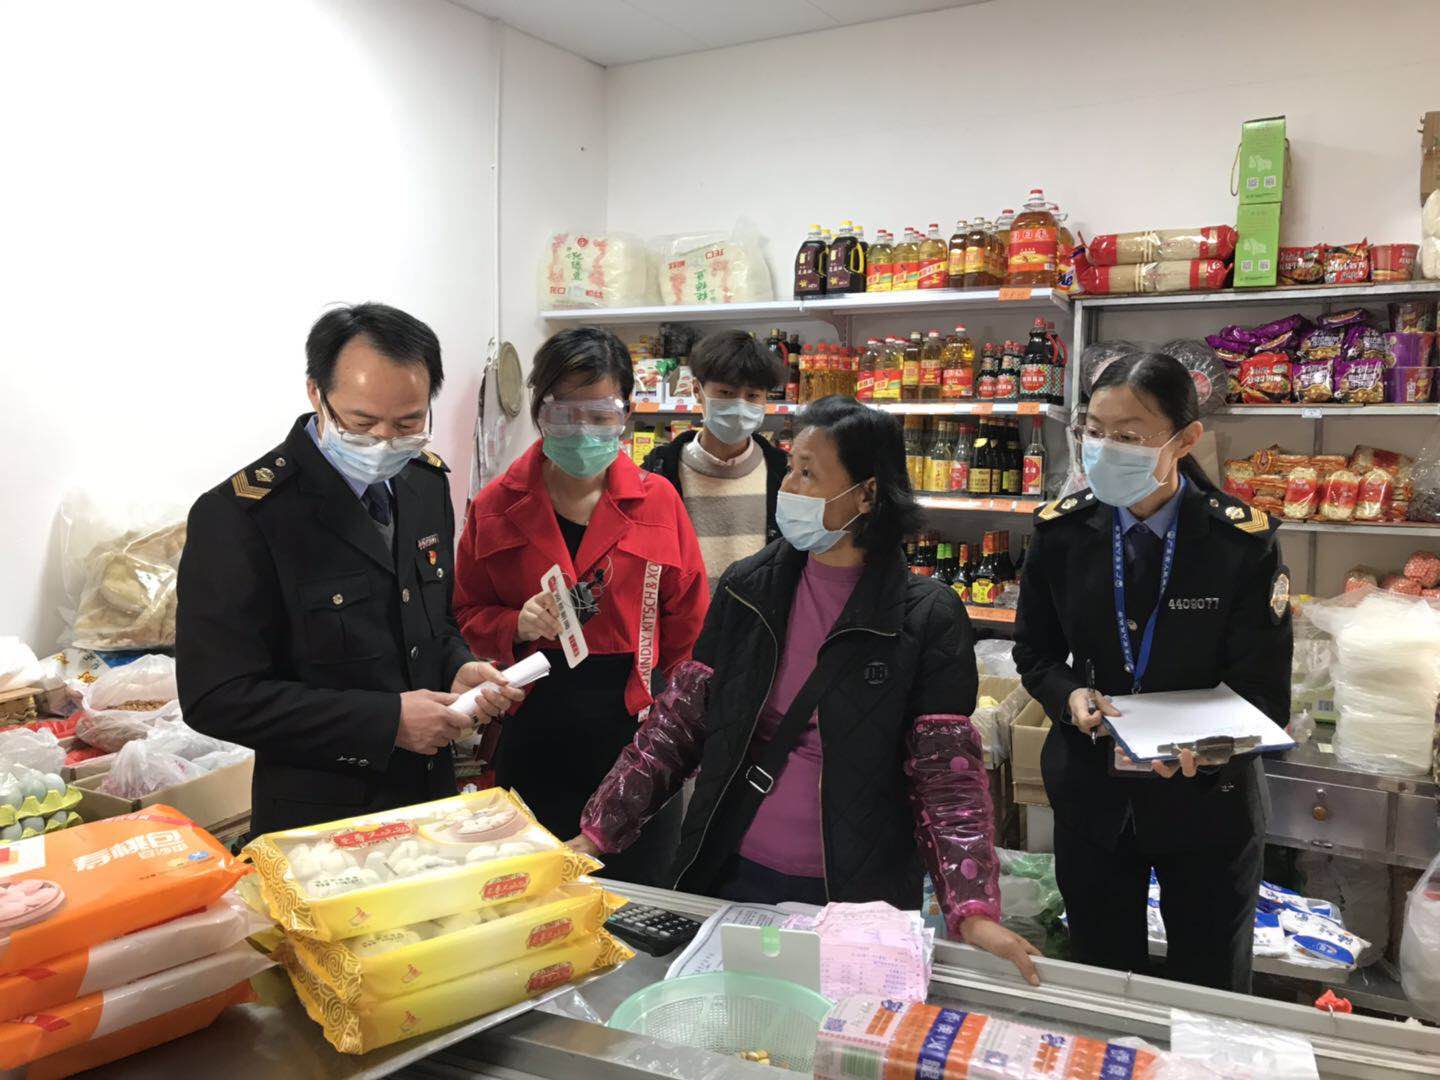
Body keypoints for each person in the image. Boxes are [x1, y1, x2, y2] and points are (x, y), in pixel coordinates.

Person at [574, 396, 1041, 985]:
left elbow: (945, 778)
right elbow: (678, 726)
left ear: (867, 495)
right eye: (790, 468)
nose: (788, 486)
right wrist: (596, 833)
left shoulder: (925, 616)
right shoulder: (748, 588)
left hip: (855, 894)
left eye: (808, 474)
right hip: (732, 873)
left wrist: (972, 910)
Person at [177, 303, 523, 836]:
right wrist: (386, 723)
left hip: (429, 799)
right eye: (362, 423)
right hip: (319, 819)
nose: (385, 442)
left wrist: (456, 666)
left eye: (408, 423)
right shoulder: (245, 515)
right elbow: (216, 697)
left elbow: (433, 622)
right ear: (316, 393)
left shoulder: (425, 483)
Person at [1012, 352, 1292, 993]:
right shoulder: (1062, 533)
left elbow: (1263, 693)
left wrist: (1209, 750)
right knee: (1102, 977)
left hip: (1208, 805)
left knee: (1207, 986)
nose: (1104, 449)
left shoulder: (1239, 544)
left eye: (1129, 436)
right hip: (1093, 796)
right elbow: (1035, 652)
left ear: (1185, 439)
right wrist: (1069, 695)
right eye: (1093, 431)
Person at [453, 327, 708, 885]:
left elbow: (690, 623)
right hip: (532, 725)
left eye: (600, 415)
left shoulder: (658, 501)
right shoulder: (495, 506)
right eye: (566, 414)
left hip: (636, 735)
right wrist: (513, 623)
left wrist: (679, 724)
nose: (584, 431)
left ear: (626, 414)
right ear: (540, 412)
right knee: (530, 893)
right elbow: (464, 613)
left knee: (639, 900)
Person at [641, 330, 790, 589]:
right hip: (683, 613)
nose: (740, 406)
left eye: (752, 396)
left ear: (766, 398)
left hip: (754, 615)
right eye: (726, 392)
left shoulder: (784, 475)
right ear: (697, 390)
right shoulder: (660, 473)